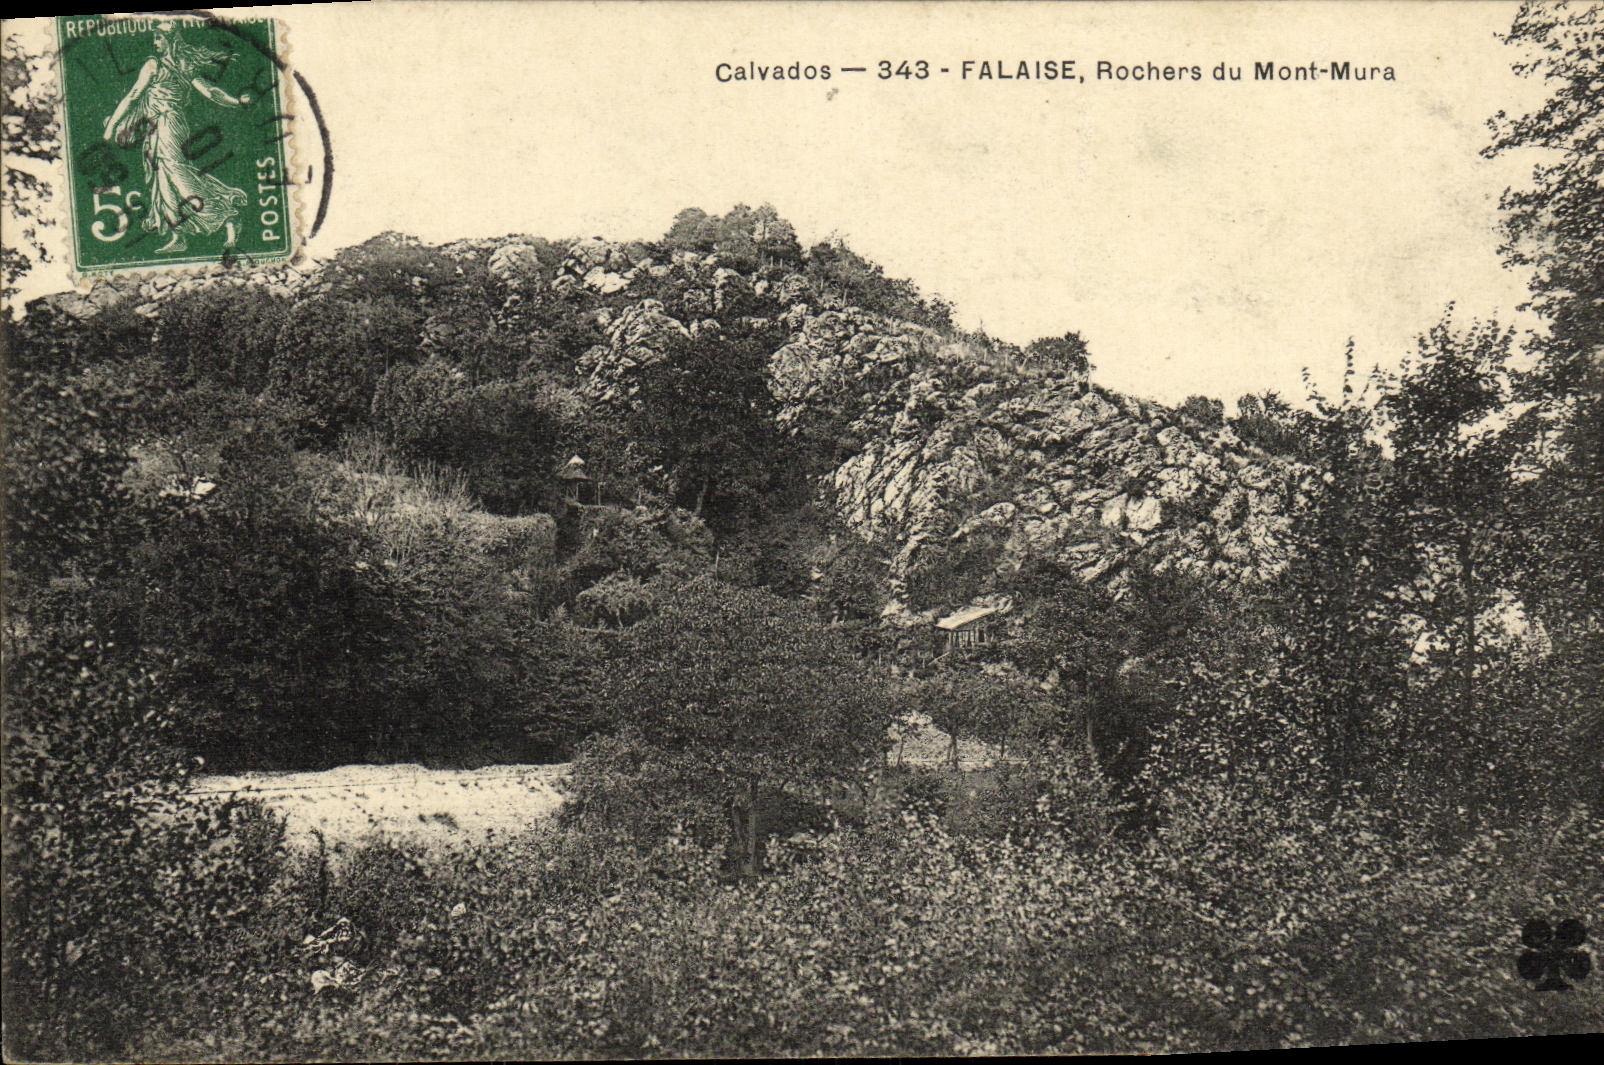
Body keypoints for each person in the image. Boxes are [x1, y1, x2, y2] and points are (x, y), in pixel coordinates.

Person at [102, 21, 252, 253]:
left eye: (159, 38)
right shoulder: (166, 64)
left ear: (171, 39)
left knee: (175, 174)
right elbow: (134, 96)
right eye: (155, 38)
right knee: (162, 179)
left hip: (170, 124)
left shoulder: (172, 65)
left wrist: (235, 102)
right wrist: (113, 125)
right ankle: (178, 234)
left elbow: (210, 92)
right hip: (156, 125)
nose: (155, 43)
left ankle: (225, 216)